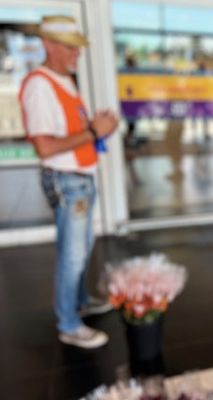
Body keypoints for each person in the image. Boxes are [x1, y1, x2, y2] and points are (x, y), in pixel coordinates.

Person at [19, 15, 118, 349]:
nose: (77, 53)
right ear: (48, 45)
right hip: (68, 180)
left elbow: (67, 133)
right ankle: (69, 323)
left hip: (77, 178)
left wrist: (96, 128)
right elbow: (45, 145)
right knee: (73, 254)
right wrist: (94, 131)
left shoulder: (63, 81)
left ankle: (79, 303)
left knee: (79, 248)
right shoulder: (40, 85)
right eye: (69, 46)